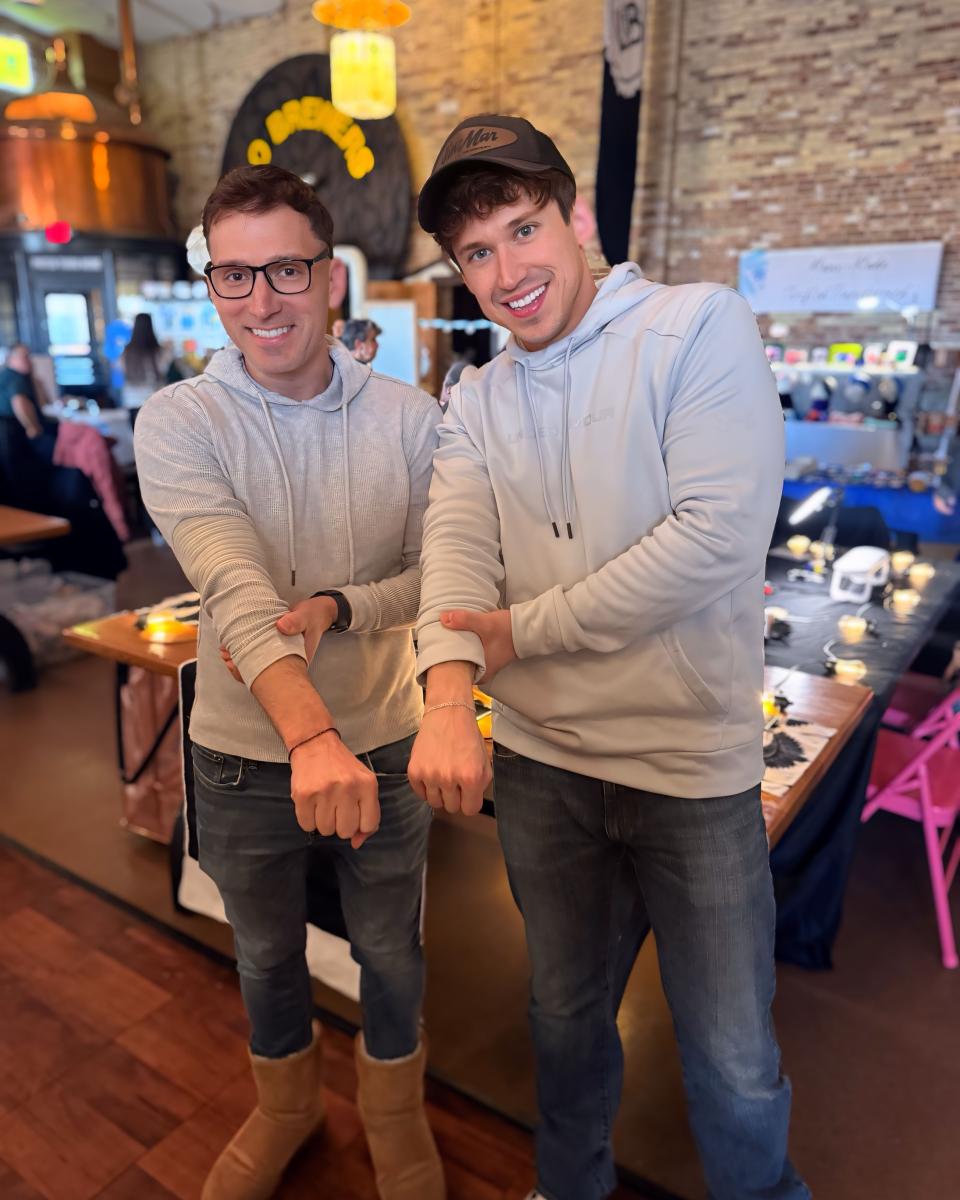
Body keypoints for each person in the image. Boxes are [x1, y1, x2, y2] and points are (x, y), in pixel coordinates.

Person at [408, 114, 809, 1200]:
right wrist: (446, 698)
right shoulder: (477, 398)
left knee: (733, 1056)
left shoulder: (696, 326)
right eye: (476, 252)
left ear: (573, 214)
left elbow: (716, 538)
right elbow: (456, 549)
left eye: (522, 229)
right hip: (542, 766)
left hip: (691, 769)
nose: (507, 273)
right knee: (563, 1018)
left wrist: (523, 631)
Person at [134, 164, 444, 1200]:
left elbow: (436, 578)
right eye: (234, 275)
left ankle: (394, 1115)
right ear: (212, 287)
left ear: (331, 277)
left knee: (391, 951)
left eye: (285, 270)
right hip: (241, 758)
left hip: (387, 739)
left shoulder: (412, 419)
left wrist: (341, 608)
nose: (261, 299)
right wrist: (310, 736)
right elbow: (231, 583)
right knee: (266, 955)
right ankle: (288, 1107)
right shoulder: (179, 419)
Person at [121, 313, 184, 408]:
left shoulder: (126, 352)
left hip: (132, 400)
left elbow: (121, 369)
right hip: (154, 399)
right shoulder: (159, 351)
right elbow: (164, 369)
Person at [0, 343, 50, 451]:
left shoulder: (6, 374)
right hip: (12, 429)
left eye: (29, 356)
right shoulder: (16, 377)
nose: (29, 360)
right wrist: (32, 427)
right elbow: (20, 402)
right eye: (25, 357)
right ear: (11, 358)